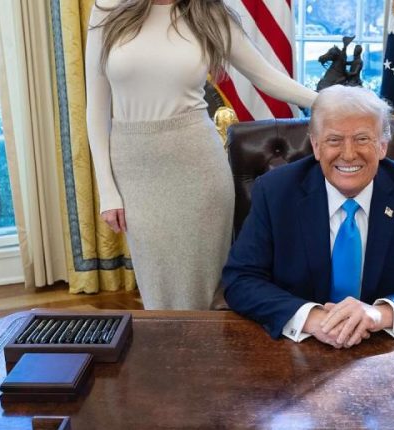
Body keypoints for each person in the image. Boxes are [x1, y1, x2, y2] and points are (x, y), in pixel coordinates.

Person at [85, 0, 317, 310]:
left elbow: (267, 77)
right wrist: (107, 190)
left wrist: (330, 100)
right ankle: (169, 343)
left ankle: (205, 343)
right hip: (135, 170)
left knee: (205, 293)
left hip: (198, 166)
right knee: (157, 289)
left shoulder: (209, 13)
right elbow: (96, 108)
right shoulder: (108, 8)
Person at [223, 85, 394, 348]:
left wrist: (380, 314)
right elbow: (240, 280)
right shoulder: (275, 192)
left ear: (382, 146)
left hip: (382, 345)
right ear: (316, 146)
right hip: (297, 345)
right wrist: (311, 318)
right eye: (334, 140)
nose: (348, 154)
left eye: (362, 139)